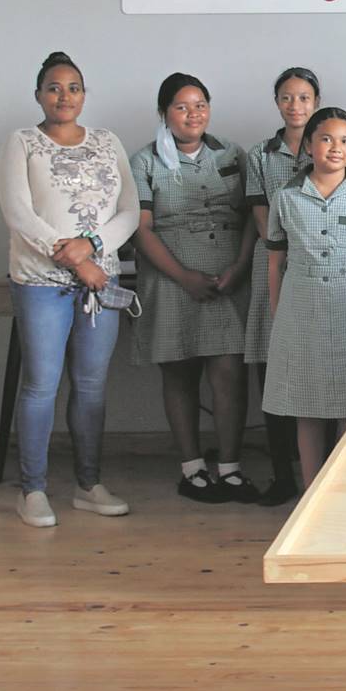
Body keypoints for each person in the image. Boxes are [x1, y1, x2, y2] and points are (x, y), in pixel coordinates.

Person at [0, 52, 140, 528]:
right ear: (38, 95)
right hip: (41, 280)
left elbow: (129, 210)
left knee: (92, 384)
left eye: (73, 87)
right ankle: (32, 490)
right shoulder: (21, 143)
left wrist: (92, 246)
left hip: (101, 280)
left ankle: (88, 484)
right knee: (41, 384)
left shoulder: (107, 141)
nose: (64, 96)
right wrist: (77, 259)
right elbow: (18, 213)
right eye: (54, 88)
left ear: (84, 94)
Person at [129, 73, 259, 504]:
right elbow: (140, 230)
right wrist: (184, 276)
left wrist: (239, 267)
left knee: (229, 373)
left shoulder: (232, 154)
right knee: (179, 371)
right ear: (164, 112)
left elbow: (252, 217)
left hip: (227, 278)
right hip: (170, 280)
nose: (193, 114)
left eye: (200, 104)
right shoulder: (145, 161)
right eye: (182, 107)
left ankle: (230, 468)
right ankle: (192, 468)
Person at [263, 108, 346, 486]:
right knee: (307, 405)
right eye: (326, 139)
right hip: (301, 310)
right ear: (308, 145)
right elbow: (275, 263)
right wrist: (279, 314)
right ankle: (310, 491)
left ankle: (343, 489)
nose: (336, 148)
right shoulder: (286, 196)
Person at [242, 67, 318, 506]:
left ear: (315, 101)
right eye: (287, 97)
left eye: (304, 97)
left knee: (317, 364)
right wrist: (281, 244)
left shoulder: (328, 144)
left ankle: (318, 471)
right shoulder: (260, 154)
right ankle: (282, 472)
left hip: (316, 264)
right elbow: (259, 213)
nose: (295, 106)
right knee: (273, 365)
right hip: (271, 262)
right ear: (277, 103)